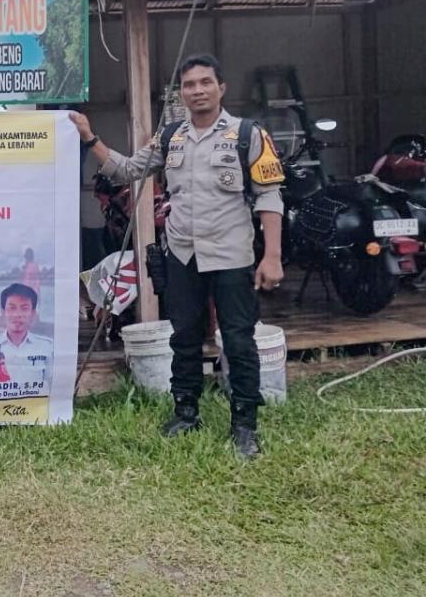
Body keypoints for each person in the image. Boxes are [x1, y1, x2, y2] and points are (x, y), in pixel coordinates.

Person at [70, 54, 284, 459]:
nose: (198, 90)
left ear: (221, 88)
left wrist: (271, 256)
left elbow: (270, 196)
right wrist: (89, 137)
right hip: (182, 256)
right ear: (181, 93)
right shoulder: (170, 137)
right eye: (190, 85)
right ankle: (186, 412)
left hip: (231, 257)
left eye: (206, 82)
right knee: (183, 337)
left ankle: (244, 425)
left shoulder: (248, 134)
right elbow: (129, 169)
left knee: (238, 341)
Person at [0, 283, 52, 394]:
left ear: (33, 314)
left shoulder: (47, 347)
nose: (18, 314)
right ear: (3, 313)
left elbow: (52, 389)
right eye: (12, 308)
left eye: (24, 308)